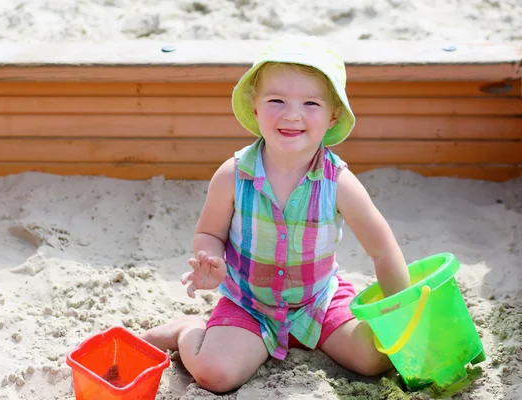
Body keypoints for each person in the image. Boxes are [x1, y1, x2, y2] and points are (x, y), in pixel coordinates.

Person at [141, 34, 411, 393]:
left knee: (375, 358)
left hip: (317, 301)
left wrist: (404, 315)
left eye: (310, 103)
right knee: (214, 375)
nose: (292, 114)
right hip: (250, 304)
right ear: (255, 108)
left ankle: (307, 336)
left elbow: (383, 250)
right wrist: (209, 259)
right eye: (276, 100)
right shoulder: (233, 175)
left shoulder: (339, 182)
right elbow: (210, 233)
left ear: (333, 116)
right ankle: (187, 329)